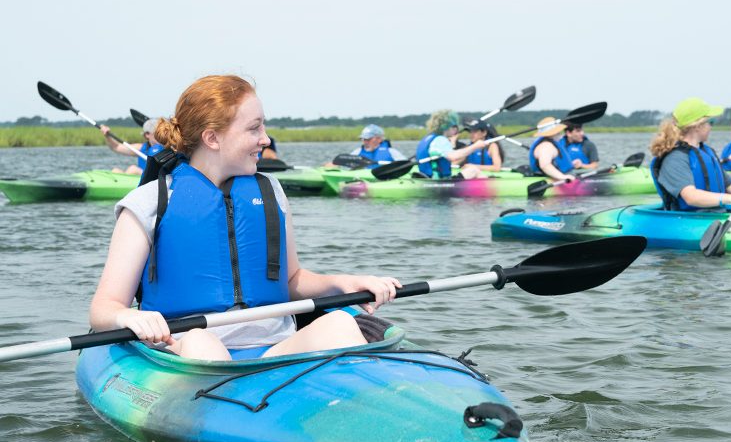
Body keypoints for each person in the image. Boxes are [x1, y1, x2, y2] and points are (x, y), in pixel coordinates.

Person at [89, 75, 401, 361]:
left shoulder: (271, 192)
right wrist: (128, 317)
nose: (265, 139)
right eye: (254, 129)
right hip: (188, 351)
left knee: (340, 324)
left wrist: (343, 283)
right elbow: (104, 308)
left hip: (276, 349)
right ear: (212, 138)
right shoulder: (148, 203)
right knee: (203, 344)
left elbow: (291, 281)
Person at [415, 110, 489, 179]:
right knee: (473, 170)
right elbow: (453, 156)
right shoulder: (441, 140)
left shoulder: (428, 138)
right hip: (440, 181)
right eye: (453, 126)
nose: (455, 129)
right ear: (445, 126)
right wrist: (475, 146)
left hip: (427, 178)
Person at [100, 119, 164, 175]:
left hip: (157, 179)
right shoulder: (140, 148)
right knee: (115, 170)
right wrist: (107, 136)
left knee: (133, 169)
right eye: (157, 133)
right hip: (143, 181)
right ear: (147, 135)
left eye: (162, 133)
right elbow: (116, 147)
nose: (161, 136)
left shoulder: (167, 147)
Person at [528, 117, 576, 182]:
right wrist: (562, 177)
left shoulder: (550, 143)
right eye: (558, 132)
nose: (560, 133)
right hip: (560, 179)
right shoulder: (546, 146)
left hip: (567, 174)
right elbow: (545, 165)